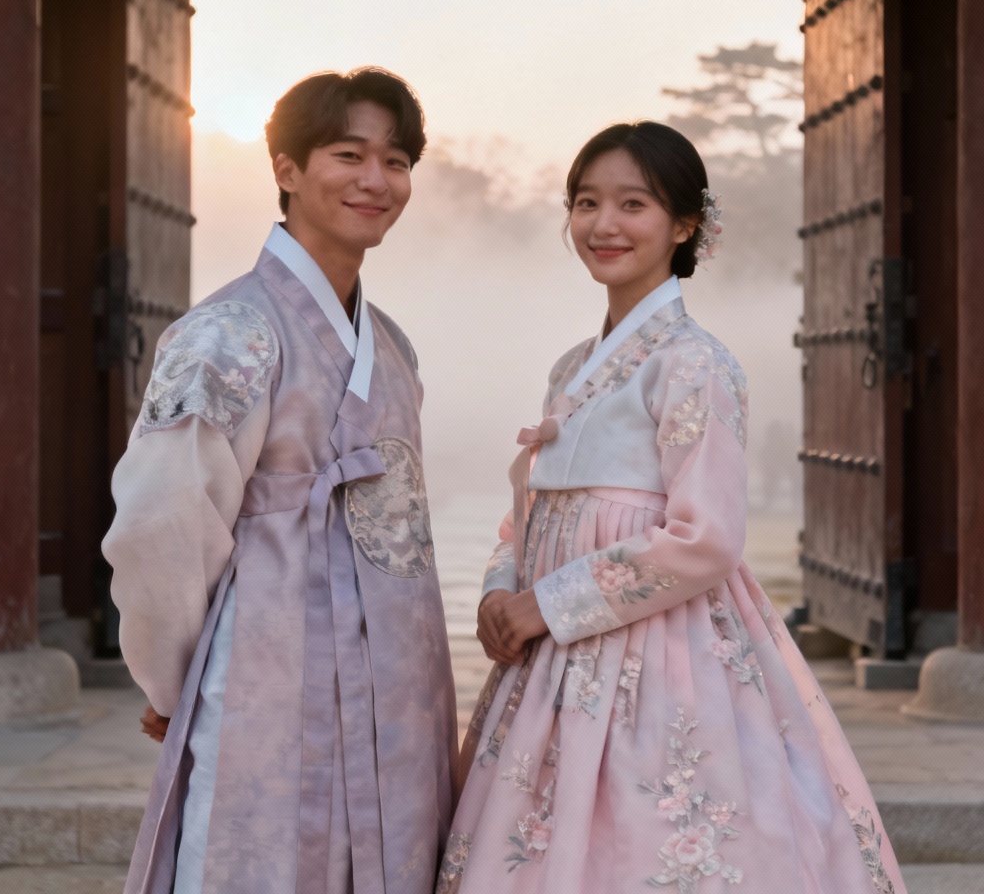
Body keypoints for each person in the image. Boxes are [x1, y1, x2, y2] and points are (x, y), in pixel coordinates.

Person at [437, 121, 906, 894]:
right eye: (586, 203)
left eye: (633, 204)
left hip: (661, 654)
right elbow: (526, 509)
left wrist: (548, 604)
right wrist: (501, 589)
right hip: (551, 655)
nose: (604, 225)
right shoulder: (569, 368)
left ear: (685, 224)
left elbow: (704, 539)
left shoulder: (696, 364)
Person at [103, 67, 457, 894]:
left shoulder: (393, 346)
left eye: (397, 161)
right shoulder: (227, 334)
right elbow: (163, 524)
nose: (376, 181)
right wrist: (172, 676)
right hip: (270, 665)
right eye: (348, 154)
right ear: (287, 168)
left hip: (398, 676)